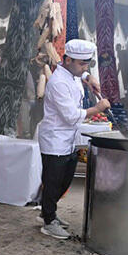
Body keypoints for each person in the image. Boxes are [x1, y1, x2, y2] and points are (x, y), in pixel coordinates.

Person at [37, 39, 111, 240]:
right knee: (53, 183)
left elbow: (81, 74)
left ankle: (48, 211)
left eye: (87, 64)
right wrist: (97, 108)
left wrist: (89, 77)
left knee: (65, 180)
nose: (84, 68)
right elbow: (70, 115)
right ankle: (48, 221)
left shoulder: (73, 73)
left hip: (69, 138)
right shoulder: (58, 82)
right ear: (68, 60)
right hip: (55, 139)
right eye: (82, 64)